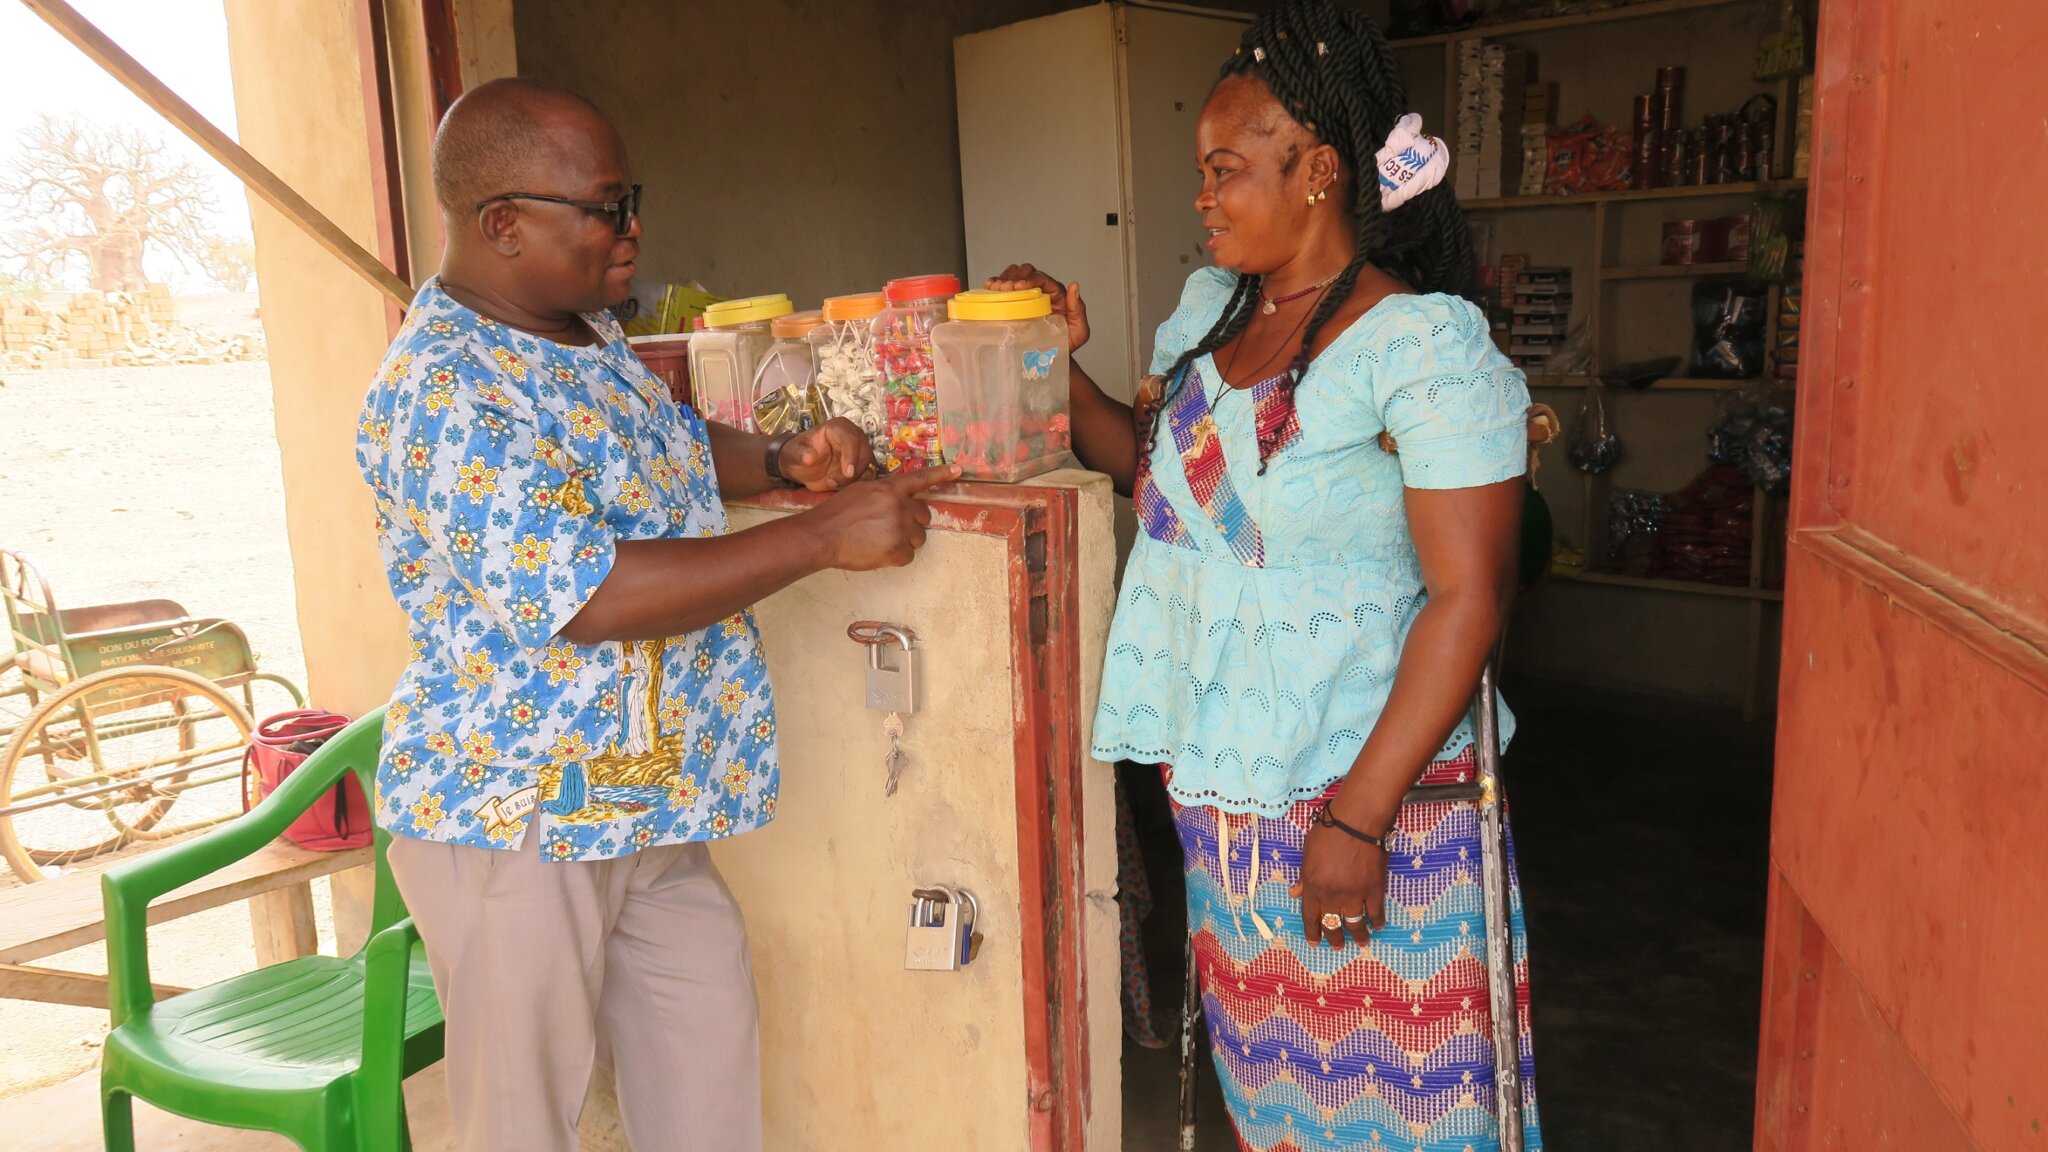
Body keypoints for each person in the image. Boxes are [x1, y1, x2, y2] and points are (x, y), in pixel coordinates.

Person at [354, 78, 958, 1152]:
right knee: (521, 1125)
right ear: (503, 224)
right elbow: (585, 594)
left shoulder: (579, 337)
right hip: (519, 816)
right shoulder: (443, 391)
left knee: (707, 1099)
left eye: (633, 198)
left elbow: (664, 444)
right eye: (606, 207)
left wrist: (776, 459)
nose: (634, 230)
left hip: (648, 805)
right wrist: (820, 539)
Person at [990, 2, 1544, 1148]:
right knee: (1272, 1090)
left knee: (1405, 1097)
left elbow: (1468, 598)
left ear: (1318, 172)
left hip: (1369, 803)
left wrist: (1357, 818)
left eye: (1225, 169)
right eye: (1201, 171)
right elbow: (1160, 490)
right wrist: (1052, 358)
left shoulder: (1419, 347)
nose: (1202, 197)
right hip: (1227, 794)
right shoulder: (1213, 314)